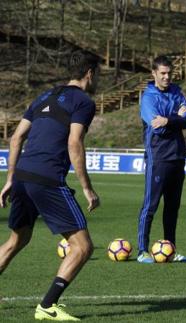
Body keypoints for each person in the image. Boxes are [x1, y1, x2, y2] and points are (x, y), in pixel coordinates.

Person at [0, 50, 101, 321]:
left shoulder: (44, 96)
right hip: (46, 180)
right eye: (97, 73)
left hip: (22, 176)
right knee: (82, 247)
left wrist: (10, 179)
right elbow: (74, 143)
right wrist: (87, 188)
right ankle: (47, 306)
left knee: (16, 239)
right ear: (90, 73)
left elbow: (16, 138)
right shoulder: (83, 102)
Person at [136, 55, 186, 264]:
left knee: (172, 207)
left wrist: (168, 119)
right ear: (154, 74)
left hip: (178, 156)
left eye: (169, 73)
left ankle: (171, 249)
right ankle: (142, 250)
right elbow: (156, 128)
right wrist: (176, 117)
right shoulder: (149, 97)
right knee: (150, 205)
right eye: (163, 73)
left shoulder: (177, 91)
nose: (167, 77)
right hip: (158, 157)